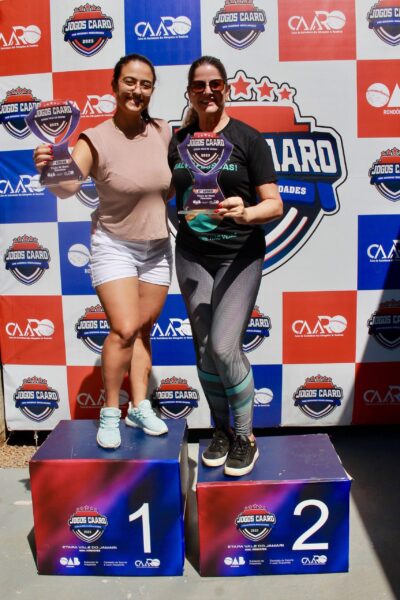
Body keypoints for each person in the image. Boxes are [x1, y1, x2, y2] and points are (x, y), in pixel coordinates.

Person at [34, 54, 172, 449]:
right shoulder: (94, 138)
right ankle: (110, 411)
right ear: (114, 86)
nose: (137, 90)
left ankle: (140, 406)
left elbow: (171, 182)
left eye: (145, 84)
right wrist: (48, 168)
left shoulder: (163, 131)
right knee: (124, 328)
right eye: (130, 82)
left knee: (143, 330)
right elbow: (66, 187)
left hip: (158, 247)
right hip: (115, 246)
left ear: (152, 90)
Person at [168, 56, 283, 476]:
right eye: (199, 85)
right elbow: (159, 188)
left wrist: (245, 212)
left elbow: (274, 204)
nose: (207, 91)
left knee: (223, 347)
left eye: (215, 84)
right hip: (192, 255)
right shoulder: (177, 142)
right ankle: (220, 430)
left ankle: (245, 436)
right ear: (189, 92)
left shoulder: (248, 139)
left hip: (238, 255)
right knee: (203, 350)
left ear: (226, 88)